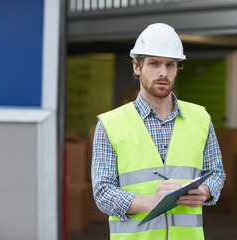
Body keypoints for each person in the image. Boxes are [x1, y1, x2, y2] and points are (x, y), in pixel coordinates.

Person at [92, 23, 226, 240]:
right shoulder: (110, 124)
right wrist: (153, 202)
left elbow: (217, 173)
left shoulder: (201, 118)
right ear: (137, 67)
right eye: (154, 63)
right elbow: (103, 193)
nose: (163, 73)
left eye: (170, 64)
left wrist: (206, 191)